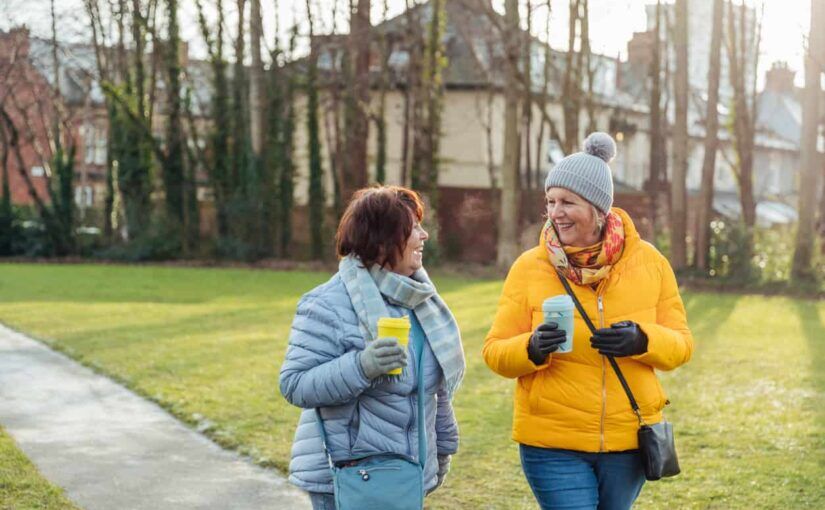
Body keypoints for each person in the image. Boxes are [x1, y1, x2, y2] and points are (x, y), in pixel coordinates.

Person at [482, 132, 694, 510]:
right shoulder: (530, 268)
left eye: (568, 202)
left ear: (599, 210)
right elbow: (495, 352)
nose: (555, 212)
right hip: (551, 441)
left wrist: (644, 340)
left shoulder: (650, 264)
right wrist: (530, 348)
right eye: (551, 202)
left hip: (626, 441)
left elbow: (681, 345)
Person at [279, 185, 465, 510]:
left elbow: (434, 390)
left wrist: (443, 449)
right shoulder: (327, 304)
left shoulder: (420, 302)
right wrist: (362, 366)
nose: (424, 236)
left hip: (405, 475)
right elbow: (295, 385)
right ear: (382, 240)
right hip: (348, 476)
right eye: (413, 228)